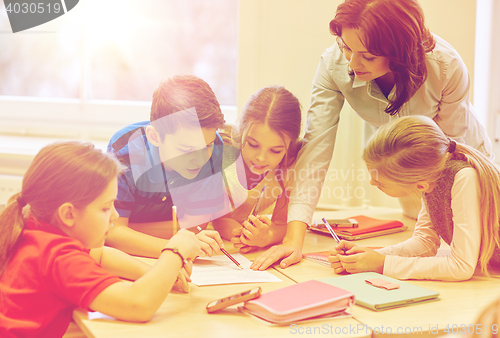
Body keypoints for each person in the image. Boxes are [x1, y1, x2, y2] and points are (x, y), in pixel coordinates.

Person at [251, 0, 494, 271]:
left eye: (367, 56)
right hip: (416, 172)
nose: (353, 65)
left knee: (476, 256)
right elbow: (315, 151)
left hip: (458, 160)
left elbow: (446, 153)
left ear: (399, 52)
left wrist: (382, 263)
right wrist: (294, 239)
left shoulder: (446, 66)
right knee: (427, 237)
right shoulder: (334, 66)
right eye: (346, 47)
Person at [0, 141, 201, 337]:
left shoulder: (33, 228)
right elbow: (137, 304)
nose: (114, 215)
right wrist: (175, 250)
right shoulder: (58, 255)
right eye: (106, 207)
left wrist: (155, 274)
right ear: (68, 214)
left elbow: (100, 256)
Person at [329, 116, 500, 281]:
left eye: (380, 183)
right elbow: (424, 242)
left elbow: (461, 267)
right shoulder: (432, 175)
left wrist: (382, 264)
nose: (372, 182)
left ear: (419, 185)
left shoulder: (463, 178)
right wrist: (368, 257)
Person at [106, 75, 227, 258]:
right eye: (187, 150)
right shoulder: (124, 153)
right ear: (155, 137)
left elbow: (196, 225)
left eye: (206, 146)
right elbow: (112, 232)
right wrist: (177, 248)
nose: (201, 160)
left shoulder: (216, 147)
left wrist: (132, 230)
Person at [211, 86, 302, 253]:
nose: (261, 158)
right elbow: (219, 220)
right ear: (242, 129)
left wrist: (267, 236)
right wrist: (245, 235)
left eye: (275, 151)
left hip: (244, 242)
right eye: (253, 145)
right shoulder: (222, 154)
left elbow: (282, 223)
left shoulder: (289, 168)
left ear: (290, 145)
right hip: (212, 237)